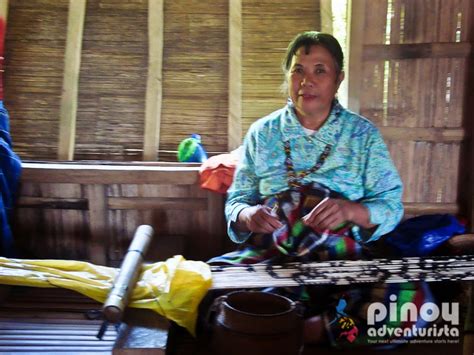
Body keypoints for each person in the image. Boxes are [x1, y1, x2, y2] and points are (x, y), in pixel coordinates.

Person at [208, 31, 433, 348]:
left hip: (342, 262)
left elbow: (391, 207)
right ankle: (295, 321)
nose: (306, 81)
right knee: (203, 284)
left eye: (320, 70)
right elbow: (238, 201)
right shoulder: (263, 133)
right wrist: (248, 215)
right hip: (274, 258)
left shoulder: (362, 136)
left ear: (338, 79)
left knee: (408, 298)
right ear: (288, 76)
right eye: (298, 70)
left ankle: (305, 327)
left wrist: (351, 210)